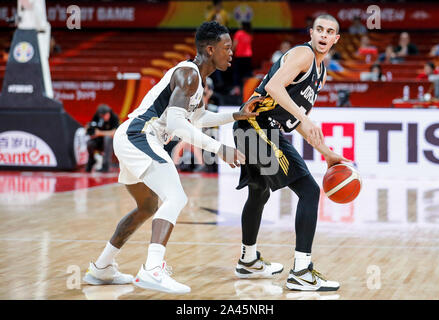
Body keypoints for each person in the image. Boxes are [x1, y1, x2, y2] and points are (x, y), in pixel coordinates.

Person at [83, 21, 257, 294]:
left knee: (147, 206)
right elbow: (177, 126)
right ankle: (152, 269)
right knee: (176, 197)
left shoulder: (198, 80)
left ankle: (102, 267)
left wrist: (236, 114)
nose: (232, 53)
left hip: (134, 138)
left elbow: (197, 118)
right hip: (139, 135)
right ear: (210, 50)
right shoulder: (188, 75)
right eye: (227, 48)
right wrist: (220, 148)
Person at [232, 14, 350, 291]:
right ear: (311, 33)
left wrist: (327, 153)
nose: (323, 34)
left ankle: (248, 260)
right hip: (254, 124)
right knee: (309, 191)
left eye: (329, 31)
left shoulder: (320, 73)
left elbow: (293, 120)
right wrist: (307, 119)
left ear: (336, 39)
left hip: (259, 128)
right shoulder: (303, 54)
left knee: (258, 192)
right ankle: (301, 271)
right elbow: (274, 87)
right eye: (319, 29)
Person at [85, 104, 119, 173]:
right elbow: (91, 127)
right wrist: (90, 131)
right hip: (99, 141)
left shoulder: (114, 117)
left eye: (105, 115)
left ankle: (105, 166)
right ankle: (91, 161)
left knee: (107, 138)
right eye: (102, 116)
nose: (104, 117)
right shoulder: (97, 117)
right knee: (89, 143)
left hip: (111, 144)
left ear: (108, 113)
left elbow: (114, 133)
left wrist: (99, 133)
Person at [231, 21, 253, 98]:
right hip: (248, 56)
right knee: (246, 74)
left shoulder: (239, 33)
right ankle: (248, 90)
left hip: (239, 56)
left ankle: (237, 89)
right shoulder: (250, 34)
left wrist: (231, 51)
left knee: (237, 73)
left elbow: (235, 45)